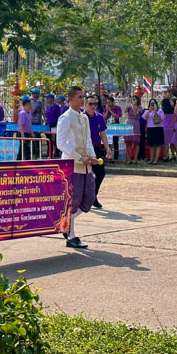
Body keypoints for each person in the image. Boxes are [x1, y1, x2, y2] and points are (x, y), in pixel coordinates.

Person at [56, 86, 99, 249]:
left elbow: (87, 140)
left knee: (89, 198)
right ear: (71, 99)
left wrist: (92, 156)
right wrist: (78, 157)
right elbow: (61, 143)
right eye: (80, 97)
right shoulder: (65, 118)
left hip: (85, 164)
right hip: (72, 164)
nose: (83, 100)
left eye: (83, 97)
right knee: (73, 201)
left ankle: (66, 223)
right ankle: (71, 235)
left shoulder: (84, 118)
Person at [84, 95, 111, 209]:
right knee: (84, 175)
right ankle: (83, 198)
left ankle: (93, 196)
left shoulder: (99, 117)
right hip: (83, 149)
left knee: (100, 173)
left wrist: (107, 148)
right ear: (85, 104)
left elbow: (103, 134)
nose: (93, 106)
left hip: (96, 148)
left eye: (95, 104)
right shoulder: (82, 117)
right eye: (91, 104)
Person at [144, 99, 165, 165]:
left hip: (158, 128)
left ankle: (156, 159)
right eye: (151, 103)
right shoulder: (147, 111)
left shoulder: (160, 110)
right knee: (151, 144)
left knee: (158, 144)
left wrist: (156, 112)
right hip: (150, 128)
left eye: (154, 103)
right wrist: (150, 111)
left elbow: (162, 118)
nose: (152, 105)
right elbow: (145, 117)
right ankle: (151, 158)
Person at [125, 95, 143, 164]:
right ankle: (129, 158)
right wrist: (128, 102)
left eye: (135, 99)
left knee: (136, 142)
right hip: (129, 123)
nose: (133, 100)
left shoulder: (140, 108)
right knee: (128, 142)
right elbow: (125, 110)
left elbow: (136, 114)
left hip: (136, 124)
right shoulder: (129, 106)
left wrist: (134, 106)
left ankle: (135, 158)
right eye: (133, 99)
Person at [161, 95, 177, 162]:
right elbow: (175, 117)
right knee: (171, 142)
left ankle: (166, 156)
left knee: (166, 143)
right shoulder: (172, 109)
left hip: (165, 126)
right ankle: (174, 155)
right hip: (172, 127)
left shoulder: (162, 110)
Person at [30, 88, 44, 158]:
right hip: (31, 121)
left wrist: (30, 111)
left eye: (34, 93)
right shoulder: (31, 101)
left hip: (37, 122)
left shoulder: (39, 101)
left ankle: (38, 152)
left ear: (38, 94)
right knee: (32, 137)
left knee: (37, 137)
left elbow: (33, 110)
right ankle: (33, 151)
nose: (33, 94)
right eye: (33, 93)